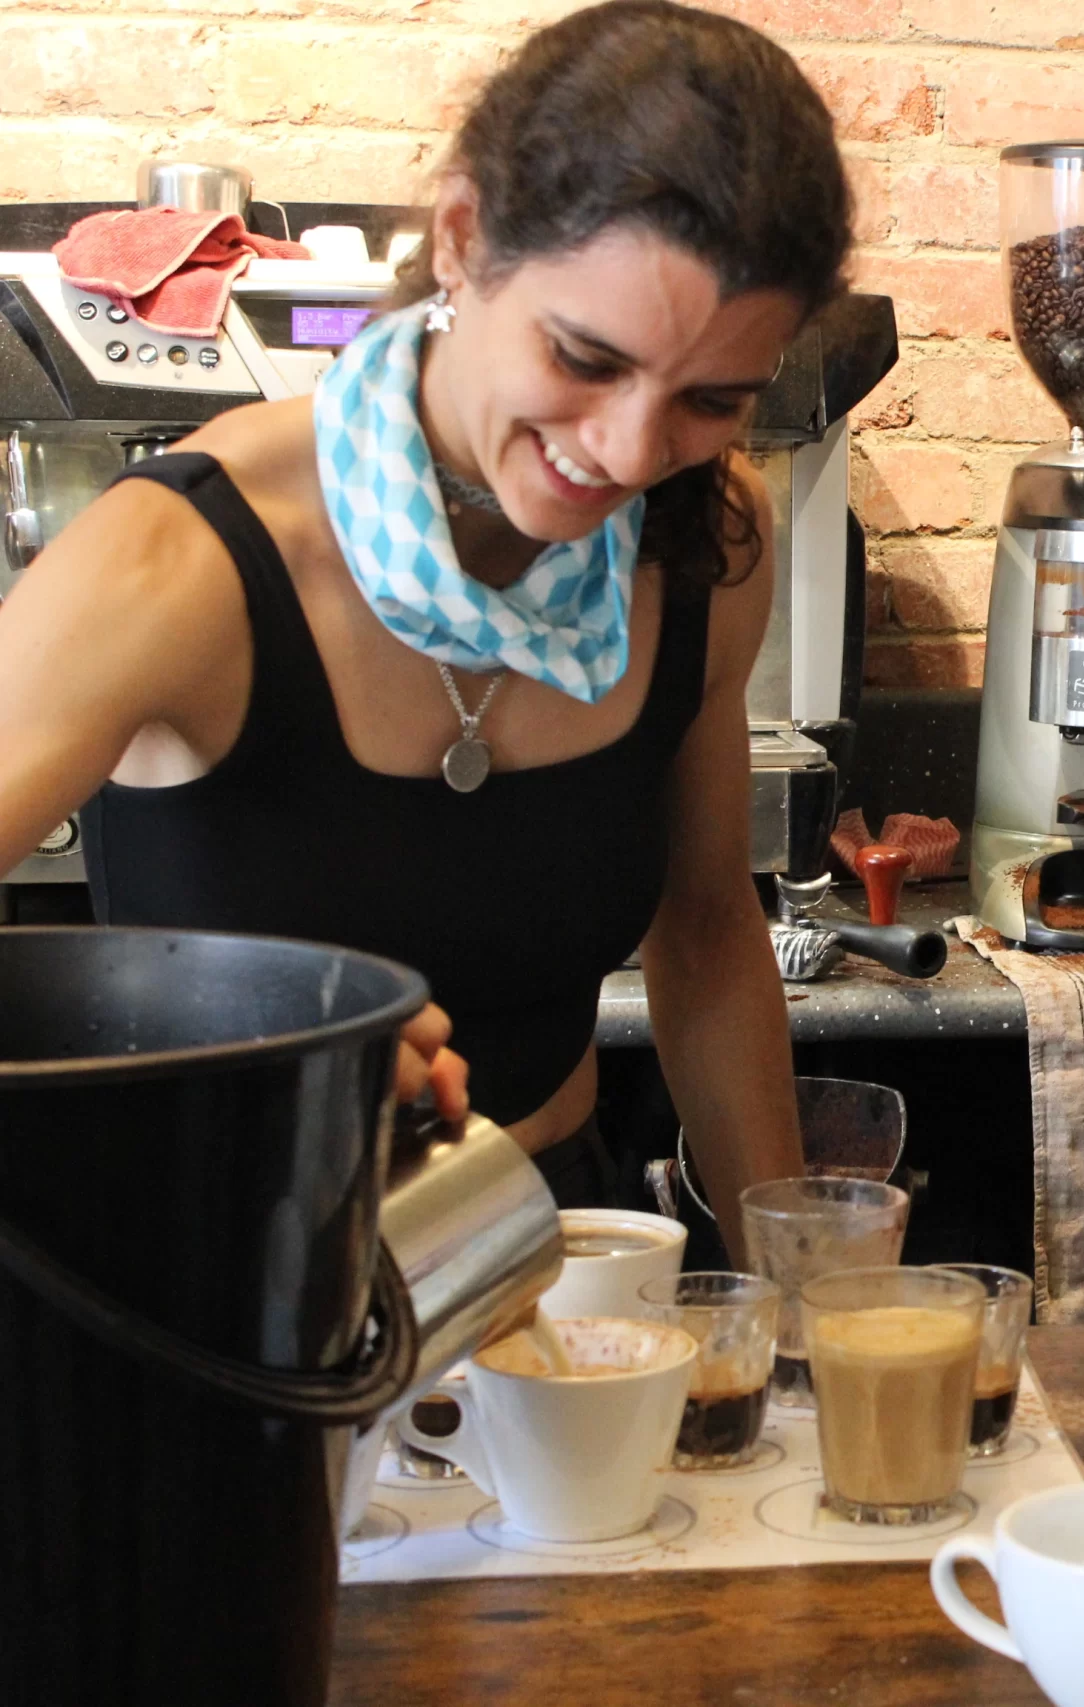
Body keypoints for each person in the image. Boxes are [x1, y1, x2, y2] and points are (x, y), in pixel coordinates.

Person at [0, 0, 846, 1256]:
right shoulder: (179, 561)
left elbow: (710, 927)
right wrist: (238, 1031)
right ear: (461, 239)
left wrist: (792, 1283)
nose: (625, 452)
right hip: (210, 1284)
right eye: (583, 356)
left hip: (548, 1250)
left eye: (709, 399)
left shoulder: (705, 544)